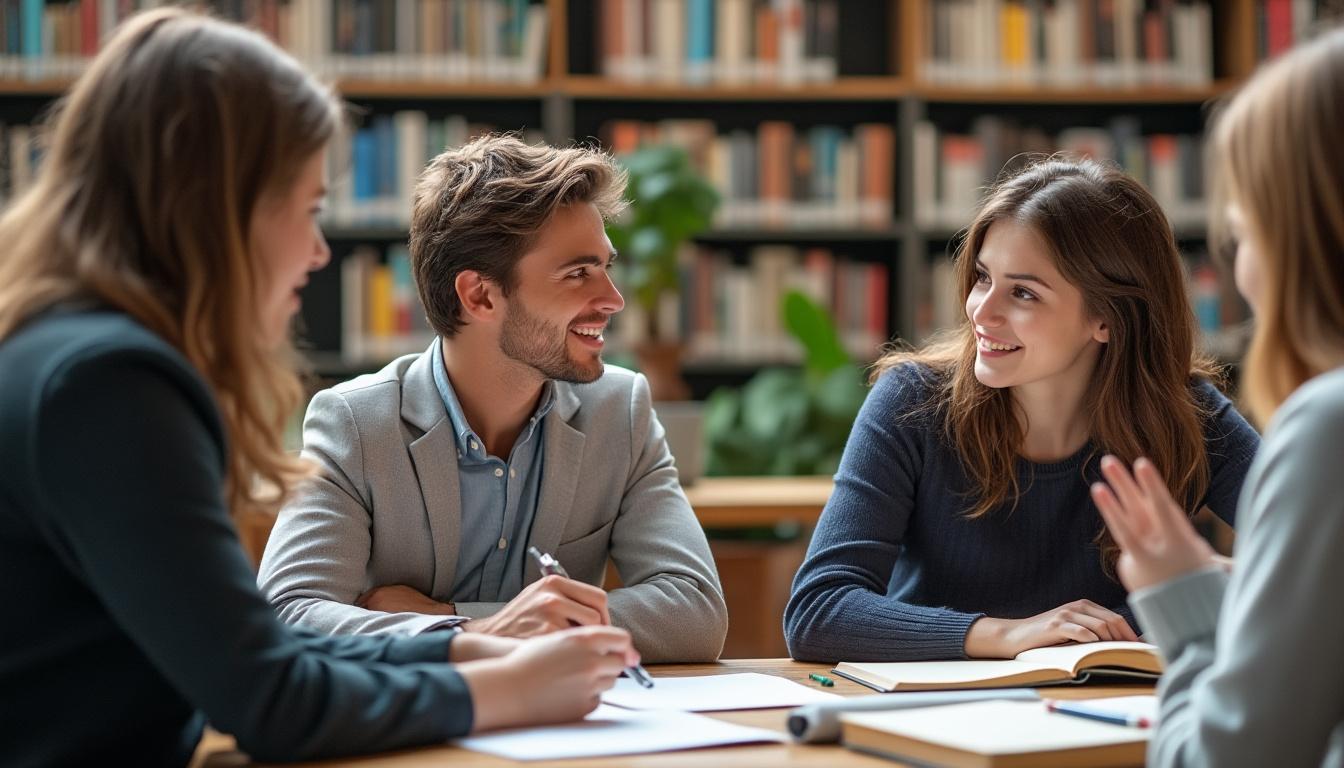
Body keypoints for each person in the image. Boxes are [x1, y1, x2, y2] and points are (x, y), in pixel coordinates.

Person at [0, 11, 638, 766]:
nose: (317, 251)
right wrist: (508, 689)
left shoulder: (60, 353)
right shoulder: (109, 386)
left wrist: (464, 651)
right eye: (305, 210)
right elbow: (268, 698)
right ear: (217, 207)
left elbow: (249, 647)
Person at [256, 134, 728, 662]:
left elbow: (695, 612)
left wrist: (455, 621)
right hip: (417, 733)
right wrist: (507, 628)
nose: (612, 300)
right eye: (577, 273)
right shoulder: (357, 423)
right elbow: (288, 613)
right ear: (480, 295)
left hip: (570, 733)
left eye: (605, 267)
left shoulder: (620, 411)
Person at [785, 157, 1261, 663]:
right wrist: (1007, 635)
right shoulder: (912, 403)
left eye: (1024, 293)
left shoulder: (1187, 414)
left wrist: (1207, 576)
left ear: (1108, 318)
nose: (981, 312)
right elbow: (819, 610)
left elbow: (1317, 544)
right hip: (929, 716)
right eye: (983, 278)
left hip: (1110, 714)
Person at [1091, 28, 1344, 766]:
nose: (1240, 272)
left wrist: (1184, 600)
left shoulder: (1323, 425)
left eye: (1246, 233)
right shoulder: (914, 398)